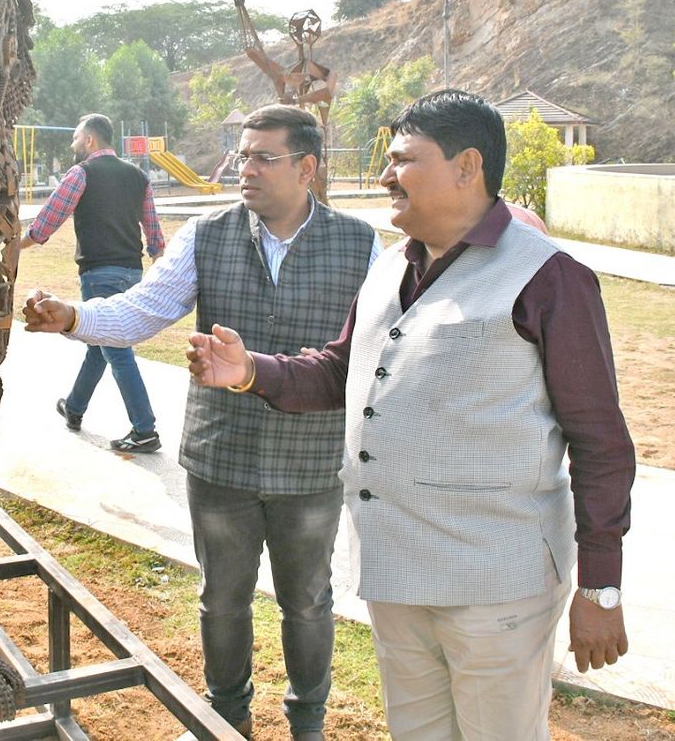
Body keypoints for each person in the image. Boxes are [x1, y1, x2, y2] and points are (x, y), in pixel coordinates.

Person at [186, 90, 636, 741]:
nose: (383, 175)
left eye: (403, 160)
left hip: (496, 589)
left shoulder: (549, 278)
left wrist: (601, 589)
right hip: (396, 575)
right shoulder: (388, 265)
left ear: (467, 166)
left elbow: (601, 443)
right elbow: (345, 369)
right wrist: (253, 370)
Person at [23, 104, 380, 741]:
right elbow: (142, 310)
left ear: (306, 168)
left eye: (263, 157)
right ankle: (226, 717)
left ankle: (309, 725)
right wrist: (75, 318)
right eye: (243, 154)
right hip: (223, 458)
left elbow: (378, 352)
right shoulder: (207, 235)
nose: (246, 168)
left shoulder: (361, 245)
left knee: (308, 603)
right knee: (222, 600)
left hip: (312, 460)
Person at [21, 113, 165, 453]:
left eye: (75, 138)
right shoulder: (138, 175)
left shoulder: (81, 173)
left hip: (101, 274)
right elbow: (154, 232)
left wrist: (17, 243)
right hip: (132, 271)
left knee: (116, 350)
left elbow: (48, 221)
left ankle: (145, 429)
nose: (72, 144)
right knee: (99, 343)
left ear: (89, 140)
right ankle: (74, 407)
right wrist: (158, 257)